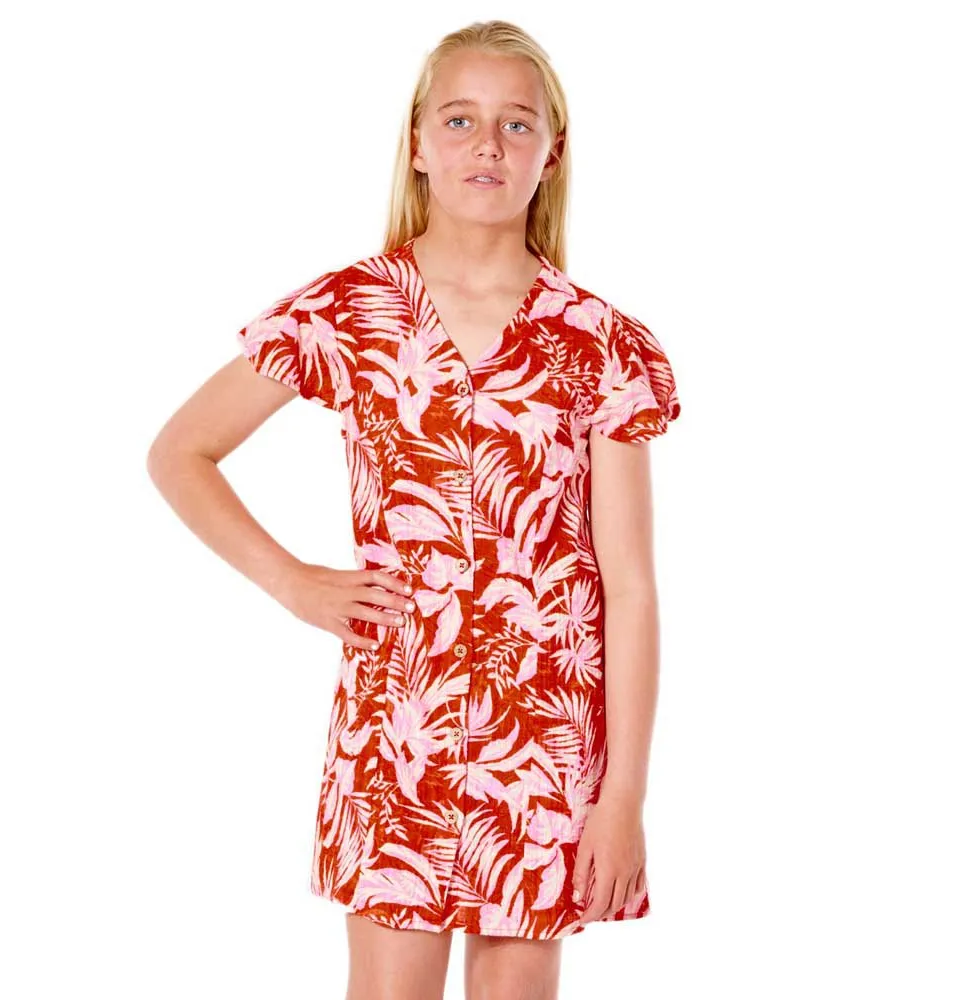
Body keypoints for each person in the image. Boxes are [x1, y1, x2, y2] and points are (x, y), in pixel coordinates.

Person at [147, 18, 681, 1000]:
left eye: (517, 124)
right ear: (419, 143)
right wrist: (295, 584)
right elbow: (181, 451)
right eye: (461, 119)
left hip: (545, 742)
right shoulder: (351, 310)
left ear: (552, 152)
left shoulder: (603, 343)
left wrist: (623, 797)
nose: (489, 145)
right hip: (399, 727)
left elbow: (631, 589)